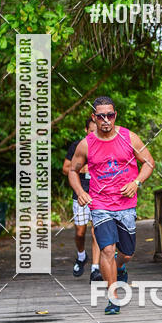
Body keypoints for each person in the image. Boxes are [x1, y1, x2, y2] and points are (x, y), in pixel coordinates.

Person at [68, 96, 155, 315]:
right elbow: (72, 170)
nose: (106, 120)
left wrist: (136, 183)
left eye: (110, 115)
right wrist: (80, 192)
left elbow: (149, 163)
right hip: (100, 204)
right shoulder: (86, 144)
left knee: (126, 253)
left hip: (126, 205)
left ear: (115, 115)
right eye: (101, 116)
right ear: (94, 118)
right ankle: (113, 297)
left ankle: (121, 267)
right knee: (107, 249)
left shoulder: (129, 137)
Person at [63, 118, 102, 281]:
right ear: (86, 130)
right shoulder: (78, 146)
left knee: (97, 231)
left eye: (97, 131)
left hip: (99, 194)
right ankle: (81, 256)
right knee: (80, 232)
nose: (94, 134)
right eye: (91, 131)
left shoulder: (104, 145)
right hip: (80, 194)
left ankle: (95, 268)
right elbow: (66, 169)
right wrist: (82, 169)